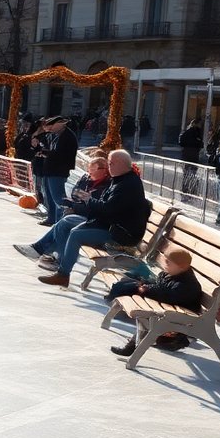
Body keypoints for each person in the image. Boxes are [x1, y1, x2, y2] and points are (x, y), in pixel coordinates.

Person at [29, 150, 148, 287]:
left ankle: (63, 275)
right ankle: (60, 262)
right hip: (108, 224)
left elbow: (108, 209)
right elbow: (106, 208)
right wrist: (87, 202)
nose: (109, 167)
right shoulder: (120, 179)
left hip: (121, 233)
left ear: (120, 164)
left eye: (110, 163)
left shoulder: (127, 185)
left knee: (76, 235)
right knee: (66, 222)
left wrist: (89, 200)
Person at [105, 248, 203, 356]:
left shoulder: (187, 284)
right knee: (136, 295)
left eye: (168, 263)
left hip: (183, 314)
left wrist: (148, 290)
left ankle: (132, 347)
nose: (165, 264)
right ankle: (173, 339)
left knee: (146, 315)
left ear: (182, 267)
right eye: (165, 261)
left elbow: (169, 296)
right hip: (171, 307)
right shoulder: (170, 274)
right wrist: (147, 287)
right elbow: (161, 288)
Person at [40, 116, 78, 225]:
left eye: (52, 126)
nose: (50, 129)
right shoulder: (56, 135)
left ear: (61, 124)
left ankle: (60, 222)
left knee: (58, 198)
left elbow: (61, 154)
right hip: (50, 170)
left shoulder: (67, 136)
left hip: (58, 171)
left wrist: (46, 153)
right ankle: (51, 218)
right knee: (50, 197)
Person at [179, 118, 203, 201]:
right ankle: (191, 193)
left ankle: (184, 192)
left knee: (186, 174)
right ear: (197, 124)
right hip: (193, 156)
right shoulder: (197, 132)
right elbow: (200, 144)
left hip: (186, 155)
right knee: (192, 174)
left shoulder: (186, 132)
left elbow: (181, 142)